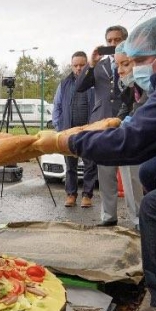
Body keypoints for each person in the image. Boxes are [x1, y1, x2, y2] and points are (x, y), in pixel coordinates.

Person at [35, 15, 156, 311]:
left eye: (141, 61)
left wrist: (67, 141)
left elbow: (132, 142)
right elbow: (147, 141)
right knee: (153, 170)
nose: (136, 69)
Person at [76, 25, 128, 226]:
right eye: (110, 41)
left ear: (125, 40)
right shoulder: (98, 65)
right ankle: (108, 217)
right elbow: (80, 86)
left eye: (118, 40)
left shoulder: (132, 61)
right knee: (105, 173)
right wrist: (90, 63)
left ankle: (137, 218)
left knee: (130, 173)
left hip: (127, 121)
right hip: (103, 122)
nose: (113, 44)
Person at [52, 51, 96, 208]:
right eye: (75, 65)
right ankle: (71, 194)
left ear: (87, 65)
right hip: (68, 133)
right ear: (71, 66)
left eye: (82, 65)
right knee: (70, 165)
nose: (78, 68)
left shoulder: (93, 82)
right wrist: (58, 127)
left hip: (89, 132)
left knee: (90, 164)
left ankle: (87, 195)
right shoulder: (64, 83)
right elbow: (56, 106)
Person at [114, 42, 146, 229]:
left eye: (125, 64)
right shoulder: (131, 87)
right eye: (118, 65)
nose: (120, 71)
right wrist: (116, 123)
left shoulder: (151, 84)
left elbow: (143, 110)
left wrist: (130, 121)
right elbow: (127, 108)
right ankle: (137, 220)